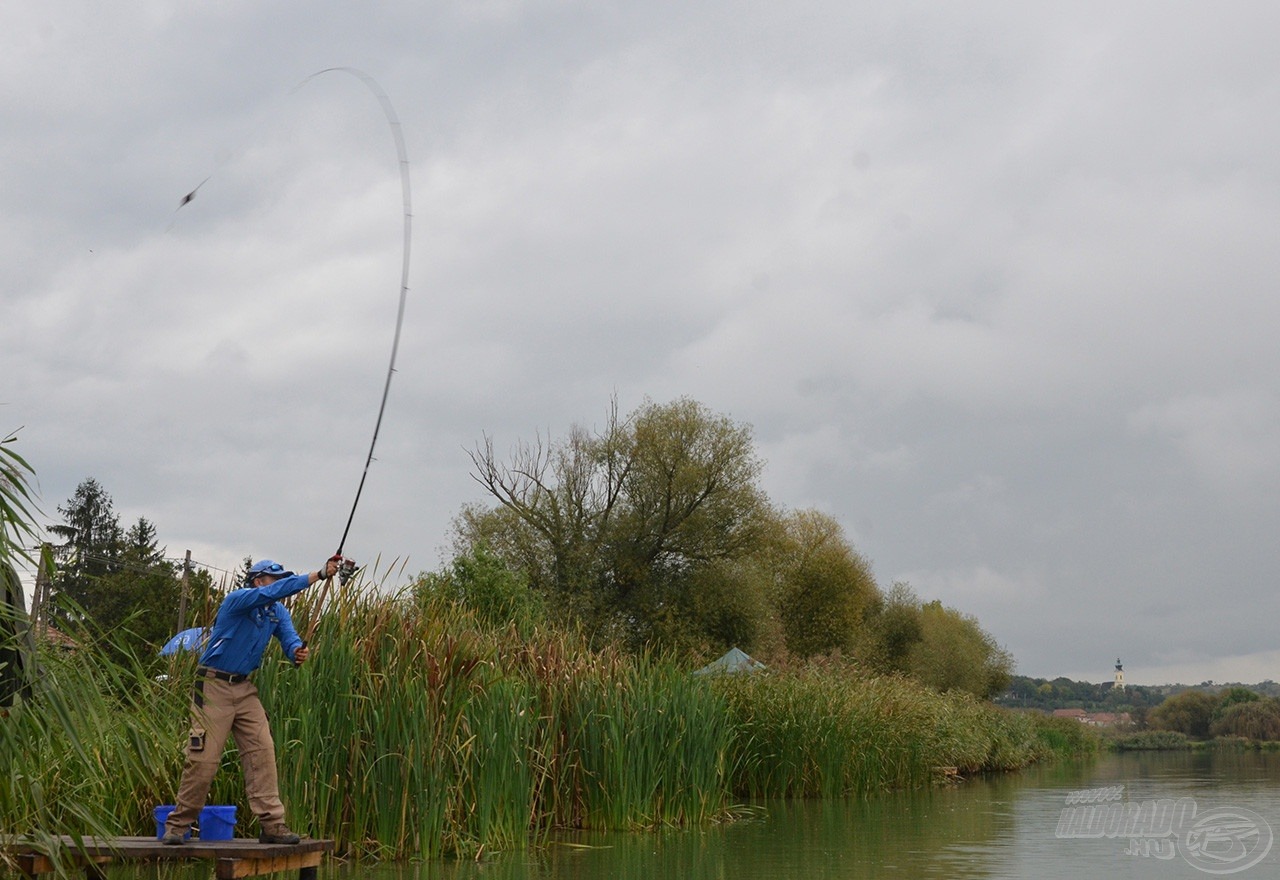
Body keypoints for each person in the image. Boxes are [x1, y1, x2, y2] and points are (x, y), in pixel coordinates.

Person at [162, 555, 347, 845]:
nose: (280, 584)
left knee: (263, 753)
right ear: (259, 581)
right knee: (204, 760)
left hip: (245, 689)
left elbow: (289, 639)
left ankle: (272, 826)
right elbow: (272, 593)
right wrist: (319, 574)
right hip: (212, 686)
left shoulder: (276, 613)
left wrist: (297, 651)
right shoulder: (239, 599)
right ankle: (177, 826)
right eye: (276, 579)